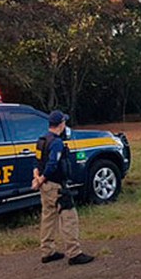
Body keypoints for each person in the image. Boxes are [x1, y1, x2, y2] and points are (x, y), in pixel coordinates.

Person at [31, 110, 94, 265]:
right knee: (69, 217)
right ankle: (74, 253)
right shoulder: (57, 143)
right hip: (56, 186)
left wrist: (38, 179)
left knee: (48, 217)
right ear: (60, 124)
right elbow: (52, 164)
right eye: (64, 122)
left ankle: (47, 251)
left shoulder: (42, 140)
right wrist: (43, 178)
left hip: (45, 187)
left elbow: (37, 162)